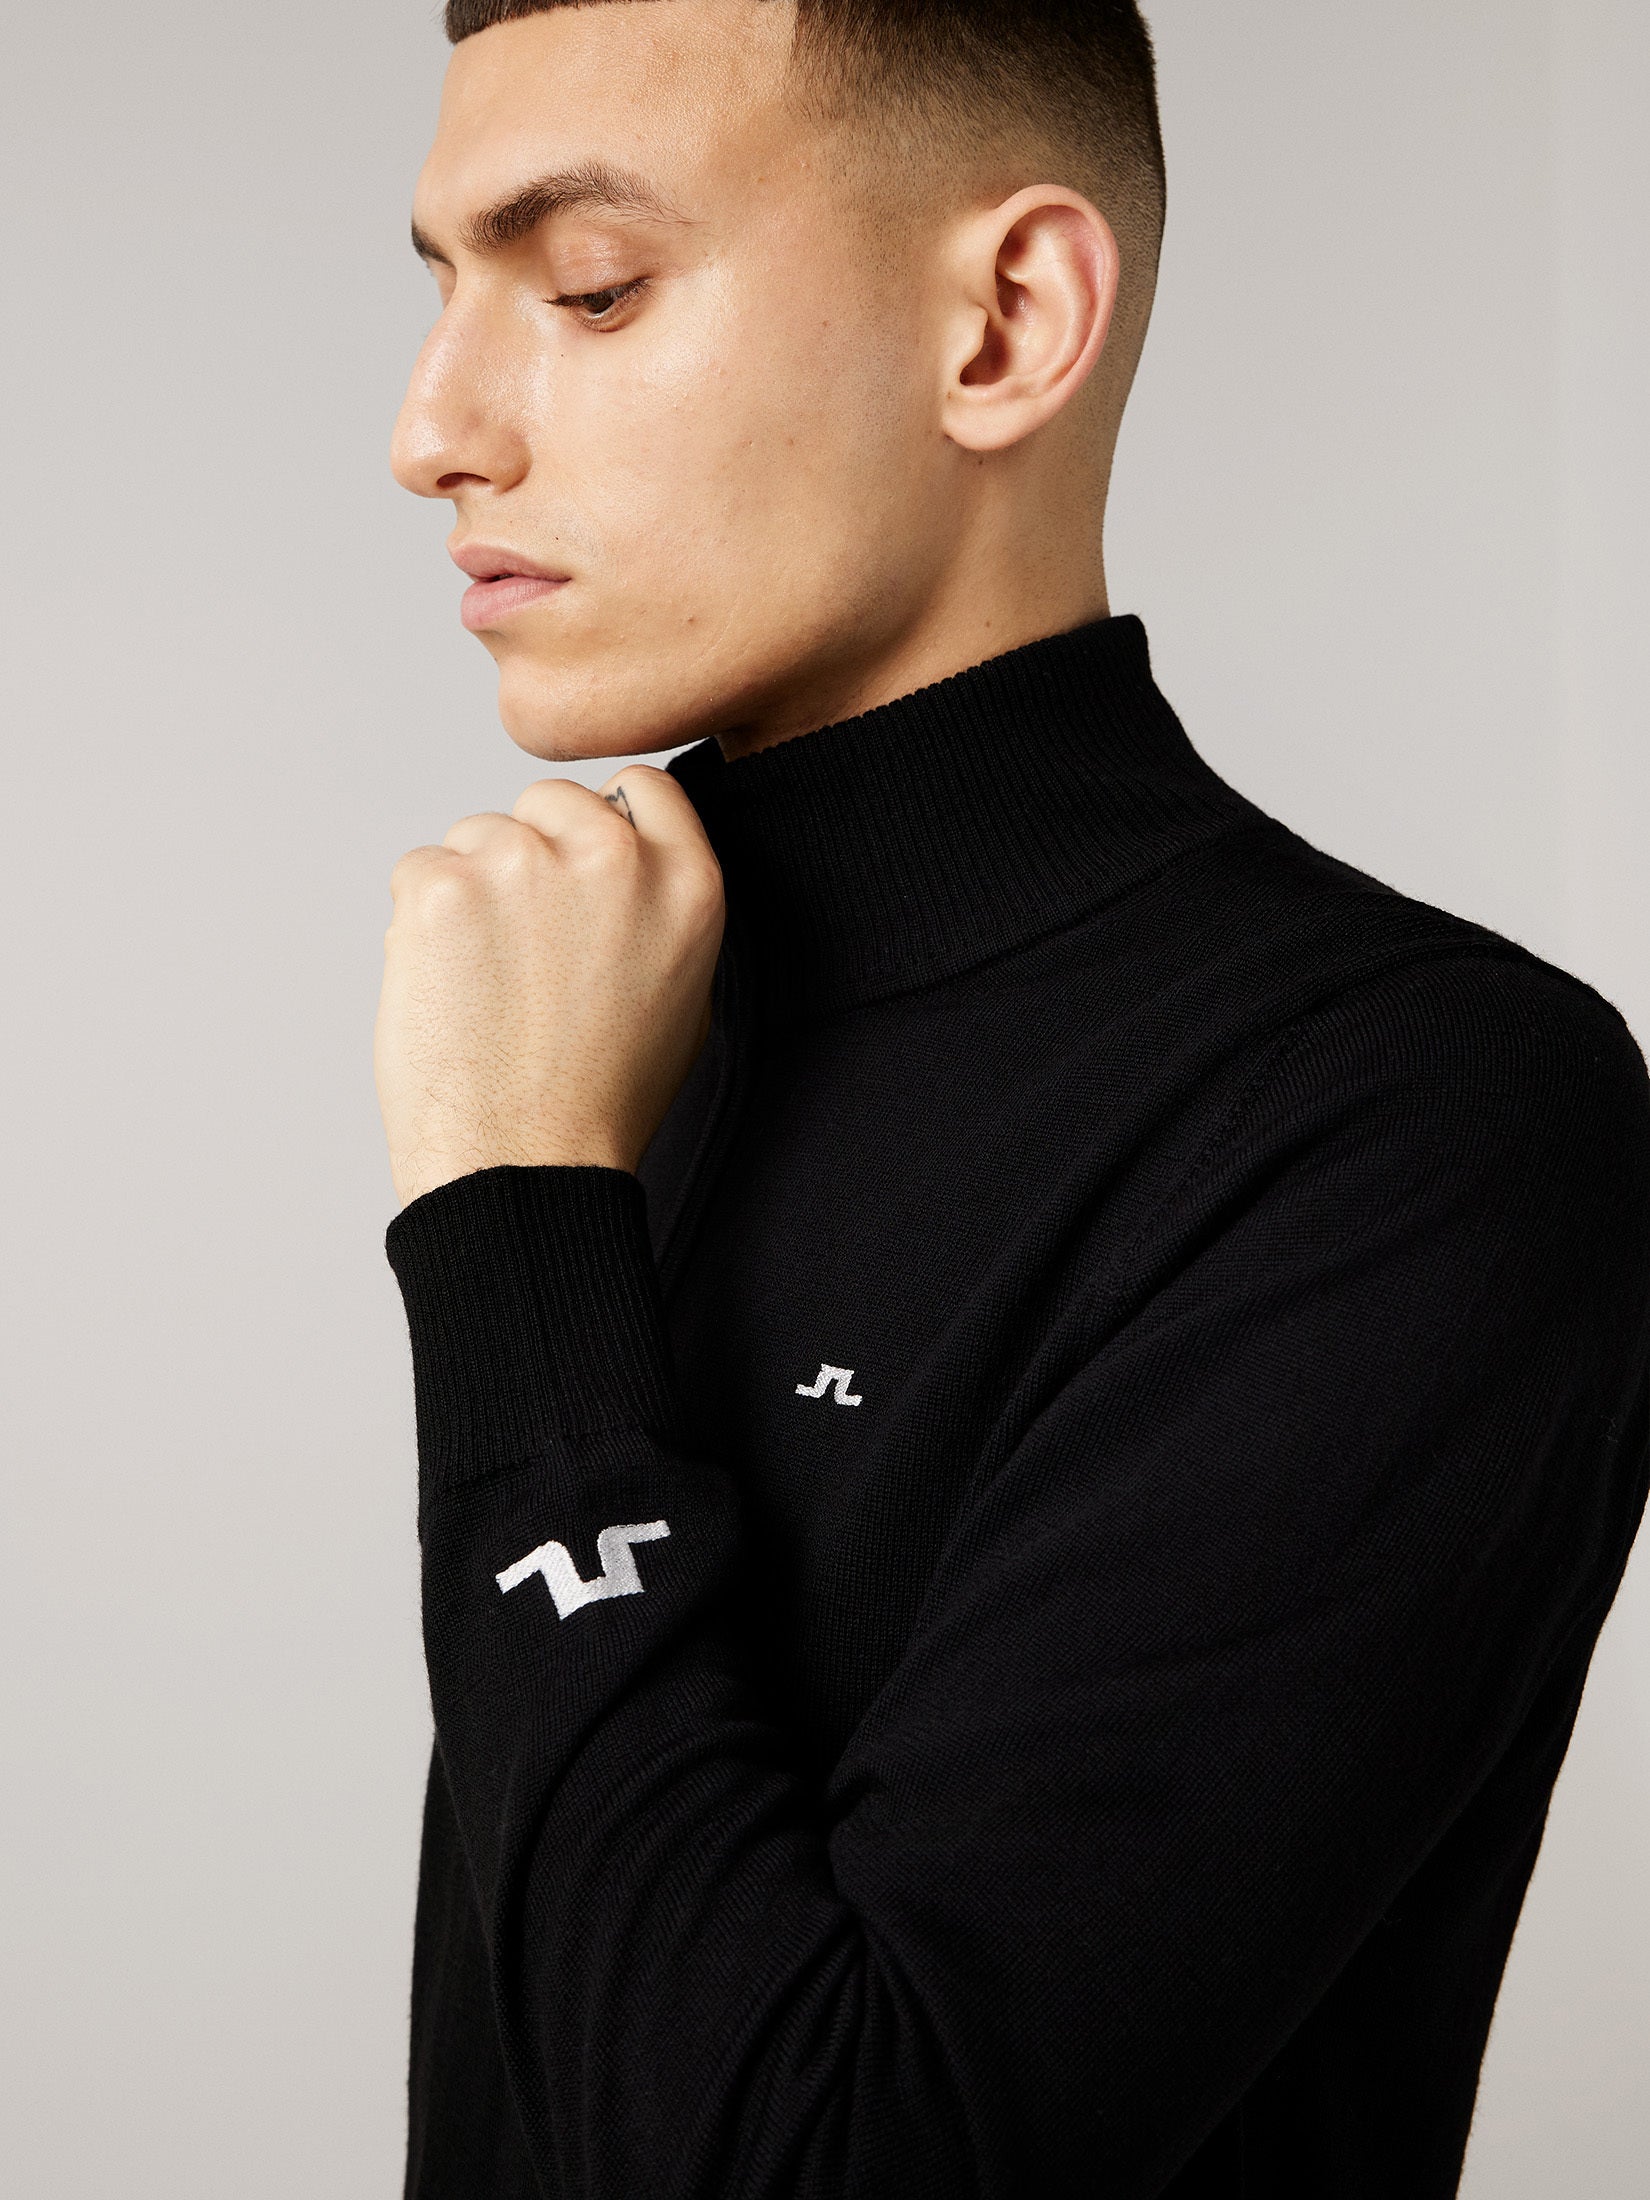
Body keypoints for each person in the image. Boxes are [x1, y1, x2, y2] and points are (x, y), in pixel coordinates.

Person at [372, 3, 1650, 2194]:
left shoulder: (1419, 1117)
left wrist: (511, 1233)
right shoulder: (620, 1021)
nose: (431, 433)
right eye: (441, 294)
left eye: (589, 288)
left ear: (1006, 323)